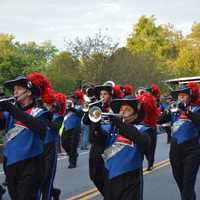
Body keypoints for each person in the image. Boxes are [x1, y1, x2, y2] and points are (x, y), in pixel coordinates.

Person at [91, 94, 155, 200]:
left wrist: (120, 124)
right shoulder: (111, 128)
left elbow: (143, 141)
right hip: (110, 176)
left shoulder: (143, 129)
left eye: (127, 110)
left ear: (135, 115)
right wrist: (95, 124)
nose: (122, 112)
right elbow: (97, 140)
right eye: (121, 109)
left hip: (130, 178)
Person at [0, 73, 52, 200]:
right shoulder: (9, 113)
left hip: (31, 164)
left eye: (18, 88)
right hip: (10, 164)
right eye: (14, 89)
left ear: (28, 92)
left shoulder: (41, 112)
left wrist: (11, 109)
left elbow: (39, 128)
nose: (14, 92)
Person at [158, 82, 200, 200]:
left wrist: (186, 111)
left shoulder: (197, 109)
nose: (180, 98)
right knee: (181, 184)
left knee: (188, 184)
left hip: (192, 151)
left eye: (183, 95)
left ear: (190, 96)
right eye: (179, 96)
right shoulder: (174, 110)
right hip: (175, 152)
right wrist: (167, 110)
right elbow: (158, 121)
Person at [61, 98, 81, 169]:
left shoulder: (78, 107)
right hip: (66, 127)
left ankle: (72, 162)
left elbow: (80, 114)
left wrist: (72, 108)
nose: (68, 103)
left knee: (73, 145)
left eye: (70, 101)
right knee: (64, 143)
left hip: (75, 128)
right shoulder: (64, 109)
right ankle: (73, 155)